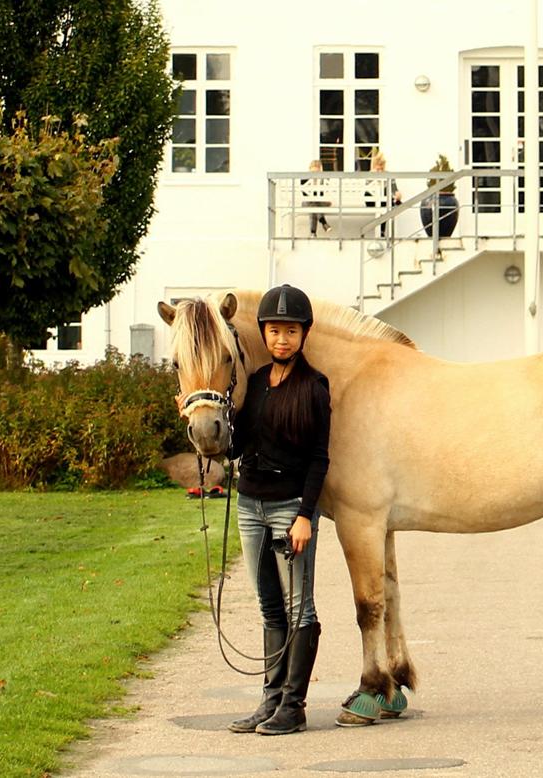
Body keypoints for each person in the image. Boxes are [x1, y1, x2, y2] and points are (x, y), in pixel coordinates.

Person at [226, 284, 331, 736]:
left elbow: (319, 458)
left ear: (303, 334)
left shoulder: (314, 387)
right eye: (274, 331)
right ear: (264, 335)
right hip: (250, 505)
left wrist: (306, 514)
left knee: (299, 609)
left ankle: (294, 705)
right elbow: (234, 448)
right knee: (270, 607)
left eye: (290, 331)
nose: (282, 340)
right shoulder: (253, 384)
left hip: (291, 508)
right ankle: (269, 701)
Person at [365, 149, 401, 238]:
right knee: (386, 202)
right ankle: (396, 204)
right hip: (372, 199)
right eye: (378, 167)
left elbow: (394, 189)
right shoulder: (370, 175)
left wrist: (397, 194)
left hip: (384, 200)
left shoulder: (388, 175)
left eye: (381, 167)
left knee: (386, 202)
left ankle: (381, 231)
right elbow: (368, 190)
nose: (380, 170)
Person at [301, 160, 332, 237]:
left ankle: (313, 233)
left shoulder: (323, 179)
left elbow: (323, 193)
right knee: (313, 204)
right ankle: (324, 223)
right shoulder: (304, 179)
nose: (314, 174)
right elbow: (304, 193)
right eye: (313, 172)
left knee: (313, 207)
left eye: (316, 172)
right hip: (308, 202)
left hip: (320, 202)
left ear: (320, 170)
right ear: (309, 169)